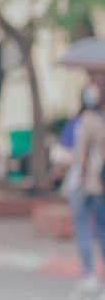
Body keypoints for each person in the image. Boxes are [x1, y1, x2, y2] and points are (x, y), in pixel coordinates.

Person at [66, 84, 105, 297]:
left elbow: (81, 155)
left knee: (84, 228)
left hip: (88, 183)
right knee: (101, 230)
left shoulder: (88, 120)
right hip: (100, 184)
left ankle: (89, 275)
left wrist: (79, 181)